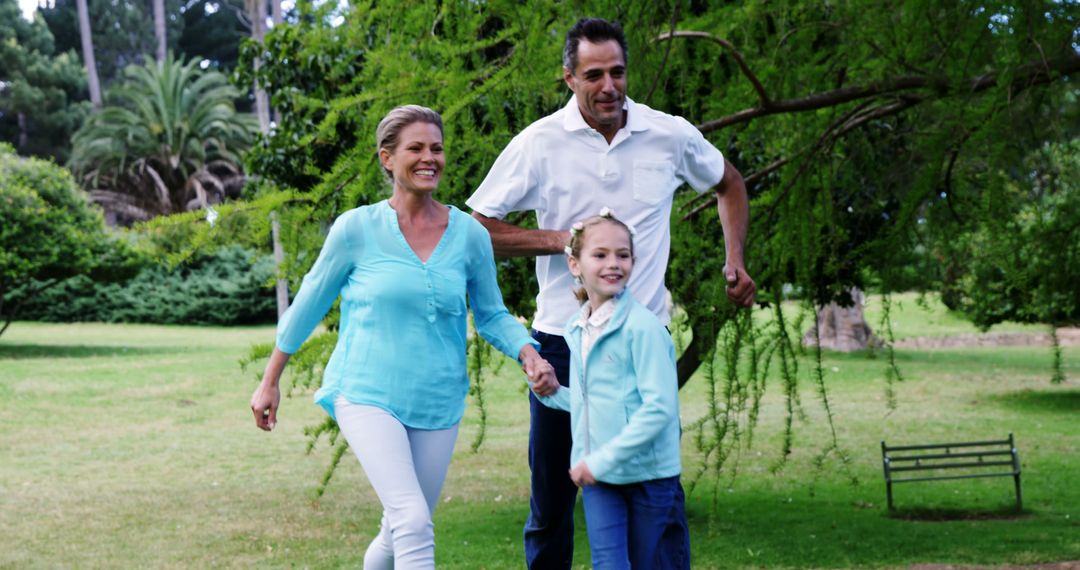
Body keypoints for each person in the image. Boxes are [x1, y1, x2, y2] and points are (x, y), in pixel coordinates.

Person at [466, 17, 756, 568]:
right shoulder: (539, 143)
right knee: (552, 500)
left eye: (617, 72)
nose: (609, 86)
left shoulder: (667, 134)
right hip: (561, 340)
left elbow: (729, 183)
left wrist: (734, 259)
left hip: (642, 338)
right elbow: (479, 227)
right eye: (593, 74)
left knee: (660, 494)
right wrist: (566, 241)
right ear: (569, 77)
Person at [249, 104, 558, 569]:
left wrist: (527, 352)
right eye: (415, 147)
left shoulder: (469, 235)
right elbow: (309, 301)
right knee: (412, 519)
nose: (428, 157)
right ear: (387, 159)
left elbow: (492, 314)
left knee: (398, 533)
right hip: (367, 392)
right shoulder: (356, 229)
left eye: (436, 147)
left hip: (438, 400)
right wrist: (270, 379)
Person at [535, 210, 688, 569]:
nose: (613, 263)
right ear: (575, 264)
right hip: (601, 476)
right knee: (608, 564)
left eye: (623, 255)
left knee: (645, 563)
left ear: (634, 261)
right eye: (600, 255)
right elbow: (595, 400)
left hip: (647, 476)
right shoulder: (579, 328)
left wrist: (598, 461)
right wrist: (553, 393)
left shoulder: (643, 329)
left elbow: (658, 409)